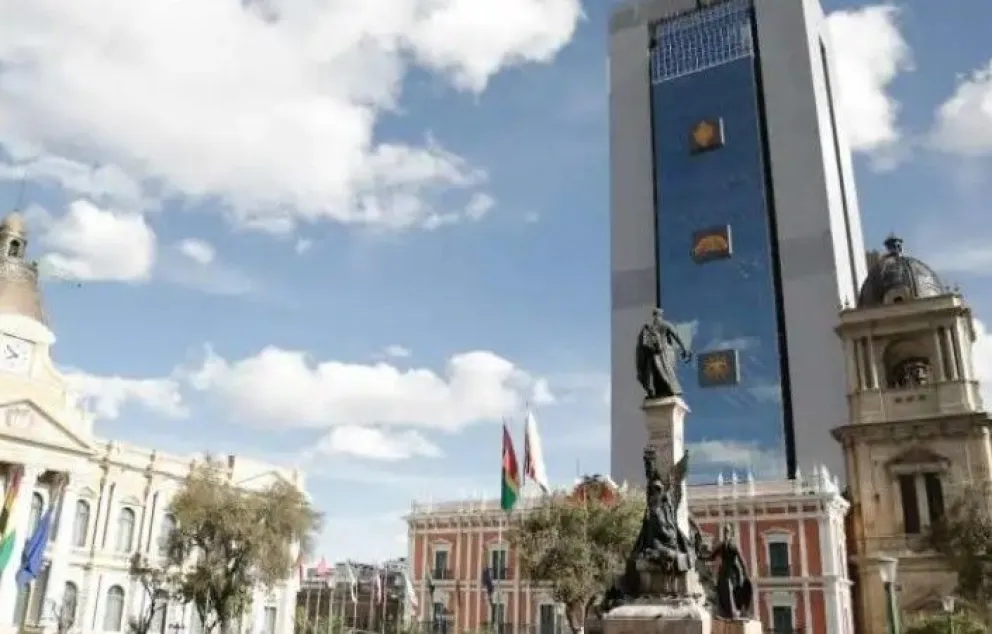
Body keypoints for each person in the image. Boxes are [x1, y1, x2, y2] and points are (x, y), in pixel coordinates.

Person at [635, 307, 692, 399]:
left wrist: (684, 348)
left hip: (655, 354)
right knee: (664, 372)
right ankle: (669, 390)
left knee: (659, 374)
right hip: (664, 353)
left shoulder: (650, 328)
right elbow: (676, 335)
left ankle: (662, 391)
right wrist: (684, 348)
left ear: (654, 315)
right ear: (660, 315)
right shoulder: (664, 325)